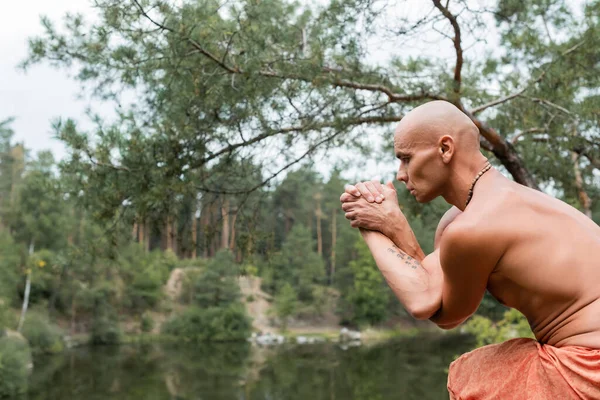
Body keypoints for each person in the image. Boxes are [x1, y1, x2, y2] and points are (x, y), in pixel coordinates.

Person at [339, 100, 600, 399]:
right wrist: (394, 225)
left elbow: (435, 310)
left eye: (407, 158)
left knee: (476, 376)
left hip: (590, 367)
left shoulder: (474, 227)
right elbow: (433, 287)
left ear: (445, 149)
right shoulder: (479, 211)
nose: (400, 173)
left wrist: (370, 227)